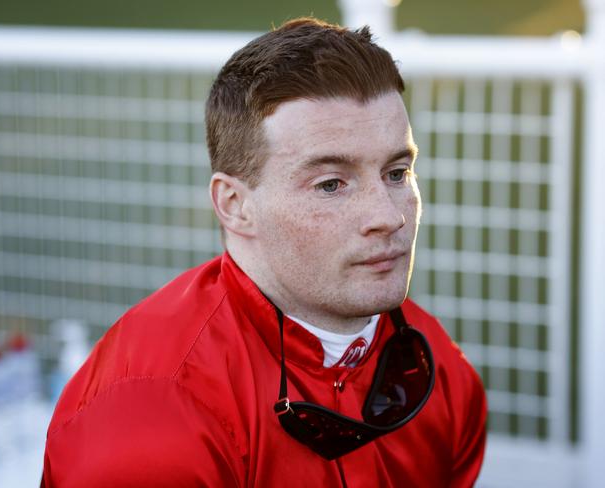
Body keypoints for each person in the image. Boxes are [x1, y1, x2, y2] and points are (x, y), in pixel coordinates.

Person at [41, 17, 486, 487]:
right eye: (331, 184)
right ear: (236, 206)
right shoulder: (153, 419)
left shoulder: (442, 371)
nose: (389, 216)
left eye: (396, 173)